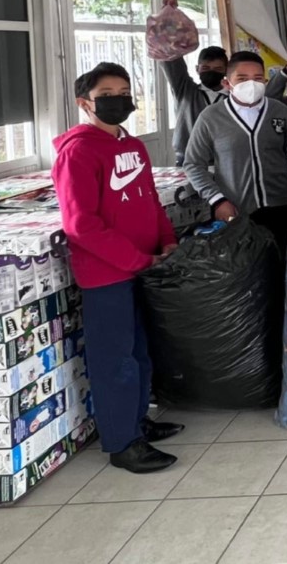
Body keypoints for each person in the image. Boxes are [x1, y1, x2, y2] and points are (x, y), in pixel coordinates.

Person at [51, 62, 184, 474]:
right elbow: (81, 225)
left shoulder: (133, 146)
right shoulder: (79, 151)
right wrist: (136, 259)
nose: (118, 99)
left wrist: (168, 242)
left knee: (141, 352)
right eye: (107, 93)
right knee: (115, 360)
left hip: (145, 267)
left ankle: (138, 421)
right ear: (84, 102)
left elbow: (148, 201)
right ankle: (122, 443)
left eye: (124, 91)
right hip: (108, 273)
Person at [183, 51, 287, 255]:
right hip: (235, 210)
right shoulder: (211, 117)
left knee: (283, 266)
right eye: (242, 79)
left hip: (281, 206)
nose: (251, 84)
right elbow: (193, 163)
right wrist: (217, 199)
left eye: (257, 78)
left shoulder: (280, 111)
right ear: (227, 83)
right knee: (245, 271)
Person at [161, 45, 228, 164]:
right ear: (197, 69)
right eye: (206, 68)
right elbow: (172, 62)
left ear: (226, 71)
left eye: (218, 69)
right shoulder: (185, 90)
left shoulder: (233, 97)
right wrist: (169, 37)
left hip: (225, 161)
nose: (211, 72)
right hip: (188, 160)